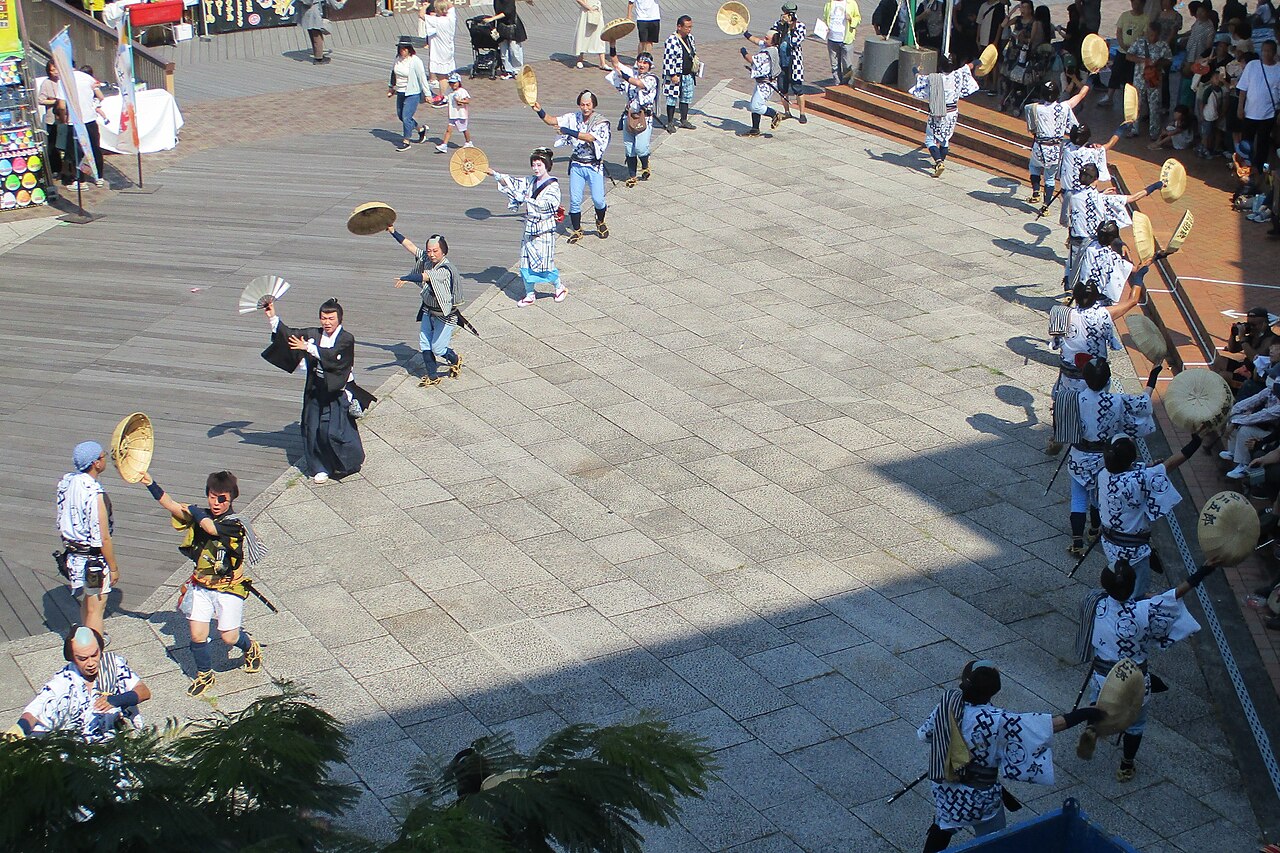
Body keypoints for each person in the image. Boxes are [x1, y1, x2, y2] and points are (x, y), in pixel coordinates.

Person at [916, 660, 1102, 852]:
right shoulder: (999, 720)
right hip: (981, 797)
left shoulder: (947, 705)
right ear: (993, 690)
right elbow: (1053, 725)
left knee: (944, 822)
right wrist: (1087, 712)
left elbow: (924, 734)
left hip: (947, 789)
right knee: (993, 840)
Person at [1074, 559, 1213, 782]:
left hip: (1103, 674)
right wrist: (1204, 570)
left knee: (1096, 703)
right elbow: (1175, 595)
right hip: (1134, 677)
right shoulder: (1144, 610)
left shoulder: (1095, 602)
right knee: (1135, 723)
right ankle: (1126, 766)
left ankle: (1092, 727)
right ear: (1133, 586)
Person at [139, 470, 267, 697]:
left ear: (232, 498)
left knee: (229, 636)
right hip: (201, 586)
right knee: (197, 635)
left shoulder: (235, 524)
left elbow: (210, 528)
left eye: (222, 498)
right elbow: (171, 505)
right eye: (212, 496)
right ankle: (204, 674)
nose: (216, 503)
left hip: (229, 588)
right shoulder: (200, 516)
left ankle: (250, 647)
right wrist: (150, 483)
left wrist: (196, 510)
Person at [261, 298, 367, 484]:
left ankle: (345, 463)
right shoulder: (314, 334)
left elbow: (335, 357)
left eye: (331, 318)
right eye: (323, 318)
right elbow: (290, 335)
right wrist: (273, 317)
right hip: (315, 390)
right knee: (312, 429)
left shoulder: (346, 339)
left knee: (332, 431)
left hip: (337, 391)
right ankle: (320, 467)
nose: (327, 322)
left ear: (339, 319)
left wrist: (309, 348)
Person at [1061, 356, 1159, 557]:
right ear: (1108, 379)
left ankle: (1077, 541)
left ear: (1085, 378)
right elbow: (1143, 403)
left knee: (1078, 497)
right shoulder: (1116, 401)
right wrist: (1152, 378)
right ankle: (1095, 528)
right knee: (1098, 495)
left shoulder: (1071, 398)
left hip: (1079, 455)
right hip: (1105, 458)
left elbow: (1064, 431)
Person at [1097, 432, 1199, 596]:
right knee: (1137, 594)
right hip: (1134, 552)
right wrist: (1194, 444)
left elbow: (1131, 470)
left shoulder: (1103, 474)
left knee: (1123, 591)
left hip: (1110, 544)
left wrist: (1148, 467)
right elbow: (1170, 465)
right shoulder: (1136, 481)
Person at [9, 626, 150, 741]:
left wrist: (117, 700)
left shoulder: (112, 665)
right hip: (77, 752)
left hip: (113, 741)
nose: (90, 663)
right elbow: (35, 711)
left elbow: (143, 691)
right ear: (72, 658)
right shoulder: (63, 681)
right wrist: (15, 734)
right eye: (83, 658)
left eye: (94, 655)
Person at [486, 148, 565, 305]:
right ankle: (530, 293)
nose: (536, 168)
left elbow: (548, 205)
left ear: (547, 165)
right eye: (534, 165)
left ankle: (559, 287)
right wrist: (494, 174)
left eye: (539, 165)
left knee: (545, 263)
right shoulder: (530, 181)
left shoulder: (553, 186)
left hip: (544, 229)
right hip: (530, 228)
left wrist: (526, 199)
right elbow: (512, 183)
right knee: (526, 263)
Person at [388, 228, 466, 385]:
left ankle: (455, 358)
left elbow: (426, 276)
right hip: (428, 310)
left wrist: (407, 278)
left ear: (443, 251)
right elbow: (410, 246)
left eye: (435, 251)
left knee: (438, 348)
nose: (431, 254)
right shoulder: (427, 260)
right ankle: (432, 376)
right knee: (424, 343)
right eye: (429, 251)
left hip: (445, 315)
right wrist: (392, 231)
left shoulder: (446, 270)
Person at [55, 441, 117, 636]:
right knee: (97, 608)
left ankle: (84, 636)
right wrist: (113, 568)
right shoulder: (93, 493)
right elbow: (103, 537)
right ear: (95, 463)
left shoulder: (66, 482)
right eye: (103, 456)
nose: (105, 458)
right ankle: (95, 645)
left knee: (87, 604)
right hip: (93, 560)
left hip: (73, 555)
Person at [531, 92, 611, 243]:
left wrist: (567, 131)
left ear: (593, 105)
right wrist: (539, 111)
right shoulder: (573, 117)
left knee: (598, 200)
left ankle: (600, 221)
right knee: (575, 200)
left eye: (588, 105)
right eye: (582, 104)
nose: (585, 108)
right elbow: (552, 121)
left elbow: (589, 137)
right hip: (577, 165)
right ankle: (577, 230)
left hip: (594, 166)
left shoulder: (601, 122)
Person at [909, 55, 981, 177]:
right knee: (945, 138)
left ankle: (938, 162)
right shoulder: (958, 74)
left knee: (930, 139)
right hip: (952, 112)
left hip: (938, 111)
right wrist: (978, 61)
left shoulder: (934, 78)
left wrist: (915, 70)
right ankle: (941, 161)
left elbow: (919, 79)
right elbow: (969, 66)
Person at [1025, 79, 1089, 206]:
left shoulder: (1032, 108)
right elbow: (1080, 96)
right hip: (1055, 149)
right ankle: (1046, 205)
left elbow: (1032, 129)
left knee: (1034, 167)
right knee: (1049, 178)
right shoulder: (1064, 107)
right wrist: (1091, 78)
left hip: (1039, 146)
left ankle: (1036, 192)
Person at [608, 46, 659, 186]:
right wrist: (612, 44)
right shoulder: (632, 73)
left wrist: (623, 76)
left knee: (641, 148)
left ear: (649, 65)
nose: (642, 65)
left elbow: (638, 83)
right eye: (640, 62)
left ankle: (645, 164)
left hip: (644, 117)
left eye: (645, 63)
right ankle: (632, 175)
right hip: (629, 116)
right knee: (629, 148)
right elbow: (616, 63)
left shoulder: (652, 79)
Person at [1235, 37, 1280, 191]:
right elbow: (1243, 88)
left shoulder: (1278, 69)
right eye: (1264, 50)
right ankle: (1244, 171)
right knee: (1246, 143)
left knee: (1262, 144)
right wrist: (1240, 107)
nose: (1266, 53)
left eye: (1269, 51)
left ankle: (1257, 171)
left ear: (1274, 53)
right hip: (1250, 113)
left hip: (1268, 114)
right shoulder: (1253, 66)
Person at [56, 63, 106, 187]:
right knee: (94, 148)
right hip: (90, 119)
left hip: (74, 121)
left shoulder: (63, 81)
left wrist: (63, 119)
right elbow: (100, 96)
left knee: (75, 152)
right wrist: (93, 105)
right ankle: (98, 177)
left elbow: (61, 106)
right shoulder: (87, 77)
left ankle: (79, 180)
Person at [1221, 378, 1280, 477]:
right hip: (1264, 428)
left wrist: (1236, 423)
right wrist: (1232, 415)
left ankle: (1243, 465)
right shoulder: (1270, 391)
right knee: (1235, 417)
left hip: (1273, 436)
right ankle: (1233, 452)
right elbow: (1251, 401)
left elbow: (1263, 415)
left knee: (1245, 429)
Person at [1126, 21, 1173, 138]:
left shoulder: (1163, 45)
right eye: (1149, 33)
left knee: (1155, 106)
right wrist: (1142, 60)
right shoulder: (1140, 42)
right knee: (1136, 104)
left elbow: (1169, 60)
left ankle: (1154, 132)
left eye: (1153, 34)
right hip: (1139, 78)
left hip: (1154, 81)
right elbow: (1128, 56)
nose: (1151, 36)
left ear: (1158, 34)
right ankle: (1134, 129)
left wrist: (1158, 64)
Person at [1212, 306, 1278, 388]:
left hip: (1255, 376)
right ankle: (1213, 389)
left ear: (1264, 324)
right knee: (1219, 360)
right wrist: (1233, 334)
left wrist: (1243, 338)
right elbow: (1232, 349)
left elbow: (1256, 359)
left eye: (1253, 325)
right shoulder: (1253, 336)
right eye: (1248, 324)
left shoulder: (1272, 340)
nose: (1251, 328)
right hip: (1245, 368)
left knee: (1224, 376)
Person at [1100, 0, 1149, 106]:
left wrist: (1134, 48)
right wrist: (1122, 44)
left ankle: (1131, 100)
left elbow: (1145, 36)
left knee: (1131, 77)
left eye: (1138, 3)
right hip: (1122, 51)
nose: (1135, 5)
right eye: (1134, 2)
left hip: (1136, 53)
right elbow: (1119, 31)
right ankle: (1109, 96)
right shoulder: (1124, 15)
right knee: (1116, 72)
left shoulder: (1146, 19)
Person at [388, 38, 431, 152]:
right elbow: (393, 73)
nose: (403, 51)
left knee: (406, 116)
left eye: (405, 48)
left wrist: (427, 94)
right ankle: (420, 129)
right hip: (400, 91)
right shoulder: (397, 59)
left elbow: (422, 78)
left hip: (412, 92)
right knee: (401, 116)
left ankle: (406, 141)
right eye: (401, 48)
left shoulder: (415, 61)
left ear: (409, 49)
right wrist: (391, 87)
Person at [744, 31, 785, 137]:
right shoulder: (770, 45)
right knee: (754, 102)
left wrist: (743, 52)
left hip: (766, 84)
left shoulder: (767, 53)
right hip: (761, 82)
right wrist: (746, 33)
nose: (764, 39)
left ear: (773, 41)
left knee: (755, 106)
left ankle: (774, 114)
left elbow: (751, 60)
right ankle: (755, 129)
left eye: (767, 38)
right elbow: (756, 40)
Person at [662, 16, 700, 131]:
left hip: (688, 74)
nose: (689, 29)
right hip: (676, 74)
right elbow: (668, 59)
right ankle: (670, 122)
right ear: (679, 27)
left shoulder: (690, 38)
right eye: (687, 27)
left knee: (686, 97)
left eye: (690, 27)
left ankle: (684, 120)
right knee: (672, 98)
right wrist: (673, 75)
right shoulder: (672, 40)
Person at [420, 0, 459, 106]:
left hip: (440, 51)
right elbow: (451, 6)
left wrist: (425, 6)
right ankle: (445, 94)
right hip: (448, 49)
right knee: (445, 74)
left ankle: (443, 97)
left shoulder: (437, 21)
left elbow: (421, 15)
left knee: (442, 76)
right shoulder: (451, 17)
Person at [37, 61, 66, 189]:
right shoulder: (46, 83)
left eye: (57, 69)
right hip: (52, 118)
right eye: (53, 70)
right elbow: (40, 99)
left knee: (65, 144)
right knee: (52, 146)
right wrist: (55, 101)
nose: (56, 72)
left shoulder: (64, 82)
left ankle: (67, 169)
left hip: (65, 118)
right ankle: (55, 168)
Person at [486, 0, 531, 79]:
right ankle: (508, 70)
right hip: (502, 26)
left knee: (514, 50)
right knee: (504, 51)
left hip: (512, 25)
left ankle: (517, 70)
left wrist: (492, 18)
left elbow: (508, 12)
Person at [822, 0, 861, 85]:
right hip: (832, 38)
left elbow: (858, 18)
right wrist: (825, 28)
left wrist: (851, 19)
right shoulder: (829, 4)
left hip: (846, 39)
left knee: (847, 65)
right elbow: (825, 18)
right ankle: (837, 83)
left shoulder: (851, 3)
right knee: (834, 65)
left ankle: (846, 84)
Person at [296, 0, 347, 64]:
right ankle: (319, 58)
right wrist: (343, 1)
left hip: (304, 13)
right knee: (317, 36)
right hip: (314, 14)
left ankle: (317, 54)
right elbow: (336, 6)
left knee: (312, 33)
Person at [776, 4, 807, 107]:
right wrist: (782, 25)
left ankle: (802, 113)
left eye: (787, 13)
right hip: (781, 61)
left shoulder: (800, 26)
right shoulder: (779, 24)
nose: (785, 15)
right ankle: (787, 111)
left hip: (794, 62)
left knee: (797, 88)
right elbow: (773, 37)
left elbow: (795, 41)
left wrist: (792, 27)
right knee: (782, 88)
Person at [436, 72, 473, 153]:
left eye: (455, 83)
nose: (453, 85)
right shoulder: (449, 91)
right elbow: (445, 99)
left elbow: (467, 100)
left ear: (459, 82)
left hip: (460, 114)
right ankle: (444, 145)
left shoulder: (462, 91)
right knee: (449, 129)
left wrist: (460, 101)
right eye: (451, 83)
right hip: (452, 114)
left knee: (464, 129)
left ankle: (468, 142)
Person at [574, 0, 608, 69]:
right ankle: (580, 59)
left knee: (599, 35)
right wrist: (588, 7)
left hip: (596, 10)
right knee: (583, 34)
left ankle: (603, 63)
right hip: (586, 11)